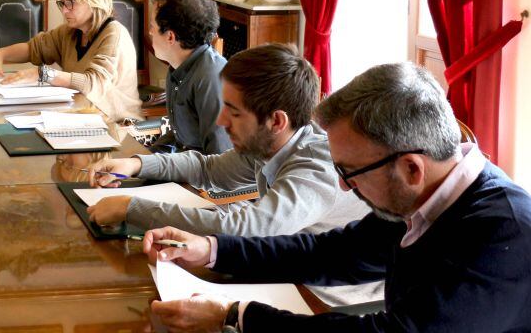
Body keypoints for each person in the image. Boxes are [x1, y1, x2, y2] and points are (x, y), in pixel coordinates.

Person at [143, 62, 531, 332]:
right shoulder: (422, 196)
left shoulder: (502, 234)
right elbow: (331, 254)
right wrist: (211, 249)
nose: (344, 186)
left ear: (412, 168)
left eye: (350, 172)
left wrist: (234, 316)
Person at [85, 44, 376, 306]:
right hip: (282, 278)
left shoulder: (316, 169)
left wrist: (131, 209)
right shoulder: (271, 142)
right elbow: (208, 169)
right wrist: (136, 165)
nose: (221, 121)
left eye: (234, 112)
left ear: (276, 121)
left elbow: (242, 229)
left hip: (326, 300)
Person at [0, 0, 141, 121]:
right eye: (62, 3)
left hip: (118, 126)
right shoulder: (69, 32)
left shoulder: (114, 34)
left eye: (70, 2)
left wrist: (44, 73)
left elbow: (93, 83)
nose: (64, 10)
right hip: (82, 117)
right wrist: (1, 54)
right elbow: (34, 49)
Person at [145, 0, 231, 154]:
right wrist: (144, 160)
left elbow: (220, 158)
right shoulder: (177, 68)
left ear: (170, 36)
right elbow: (181, 135)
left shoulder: (210, 77)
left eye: (152, 27)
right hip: (190, 168)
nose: (149, 32)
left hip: (207, 176)